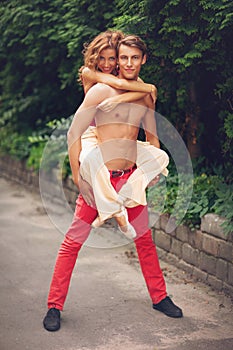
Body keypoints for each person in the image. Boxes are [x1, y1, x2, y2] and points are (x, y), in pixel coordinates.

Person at [43, 34, 183, 332]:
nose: (127, 63)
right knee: (73, 242)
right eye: (123, 58)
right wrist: (79, 176)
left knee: (144, 240)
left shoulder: (145, 94)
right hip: (98, 180)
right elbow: (74, 134)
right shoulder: (100, 92)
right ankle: (54, 306)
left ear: (143, 59)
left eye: (134, 58)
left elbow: (151, 134)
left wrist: (149, 171)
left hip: (129, 177)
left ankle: (160, 297)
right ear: (117, 60)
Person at [74, 30, 169, 238]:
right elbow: (120, 84)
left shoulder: (130, 84)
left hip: (116, 145)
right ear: (94, 58)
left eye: (112, 59)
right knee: (91, 161)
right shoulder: (89, 74)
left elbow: (139, 91)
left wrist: (123, 99)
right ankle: (114, 211)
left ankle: (119, 202)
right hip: (92, 133)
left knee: (161, 157)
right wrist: (149, 88)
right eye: (102, 58)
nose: (107, 64)